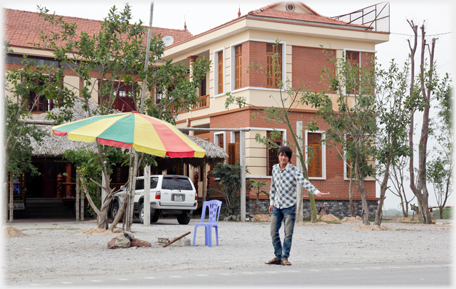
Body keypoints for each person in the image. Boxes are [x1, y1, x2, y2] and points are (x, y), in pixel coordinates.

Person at [266, 146, 329, 266]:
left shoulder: (293, 170)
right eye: (281, 155)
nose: (283, 157)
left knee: (288, 234)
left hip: (289, 206)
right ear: (278, 156)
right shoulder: (274, 168)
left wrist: (316, 191)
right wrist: (271, 203)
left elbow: (304, 181)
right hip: (277, 206)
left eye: (286, 156)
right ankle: (278, 255)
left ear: (289, 158)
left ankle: (284, 257)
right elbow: (272, 187)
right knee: (273, 232)